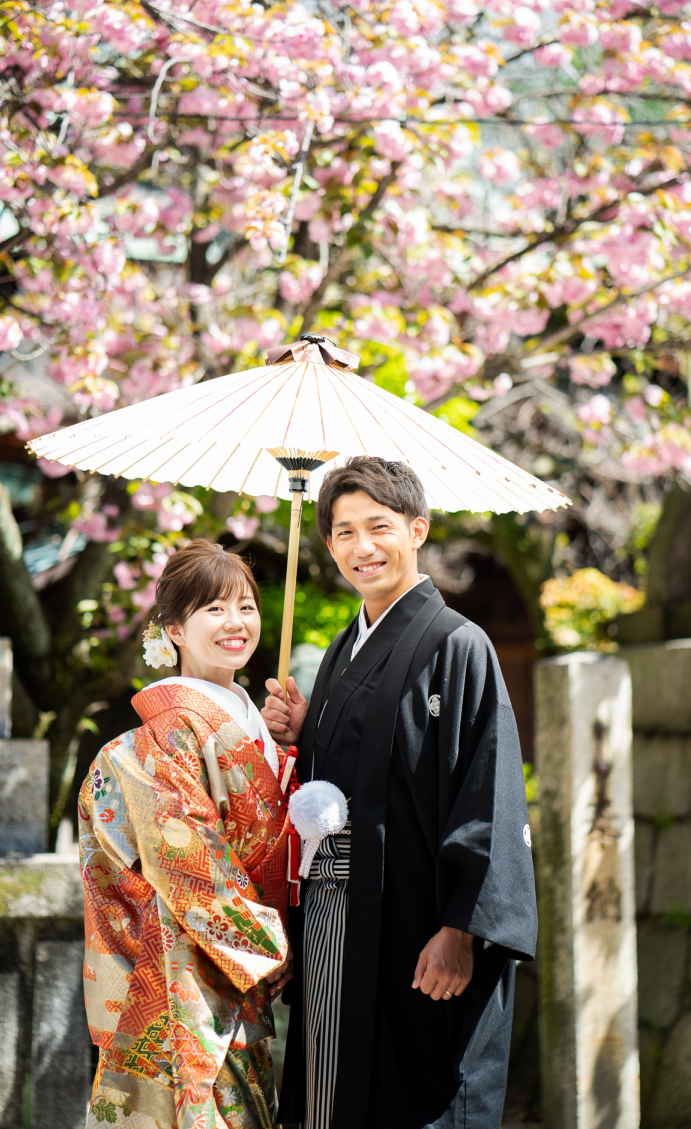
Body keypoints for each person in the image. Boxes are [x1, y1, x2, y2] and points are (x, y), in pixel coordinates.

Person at [262, 457, 537, 1129]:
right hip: (337, 917)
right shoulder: (338, 652)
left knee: (413, 1095)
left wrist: (460, 929)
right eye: (344, 532)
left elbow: (487, 789)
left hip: (417, 923)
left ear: (417, 530)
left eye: (378, 527)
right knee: (330, 1093)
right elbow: (347, 780)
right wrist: (308, 731)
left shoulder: (459, 645)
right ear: (327, 545)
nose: (362, 547)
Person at [79, 540, 295, 1129]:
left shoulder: (250, 719)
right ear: (173, 627)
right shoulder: (173, 729)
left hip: (243, 963)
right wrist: (264, 941)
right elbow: (187, 857)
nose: (236, 623)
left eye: (247, 607)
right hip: (194, 965)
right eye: (214, 609)